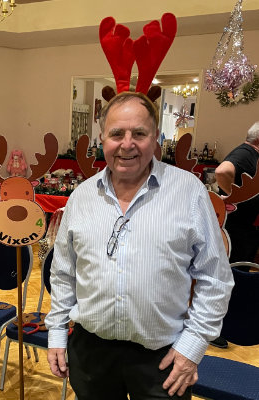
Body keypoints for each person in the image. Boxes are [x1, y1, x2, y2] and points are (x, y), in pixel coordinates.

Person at [45, 92, 234, 398]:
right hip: (91, 354)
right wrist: (56, 331)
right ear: (102, 138)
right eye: (117, 133)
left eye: (139, 133)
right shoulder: (81, 197)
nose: (127, 143)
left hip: (162, 360)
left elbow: (215, 279)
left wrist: (192, 346)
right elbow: (63, 272)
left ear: (156, 138)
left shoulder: (189, 192)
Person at [216, 122, 259, 264]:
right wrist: (234, 199)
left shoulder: (251, 154)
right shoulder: (244, 153)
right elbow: (222, 171)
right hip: (236, 229)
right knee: (236, 273)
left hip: (245, 228)